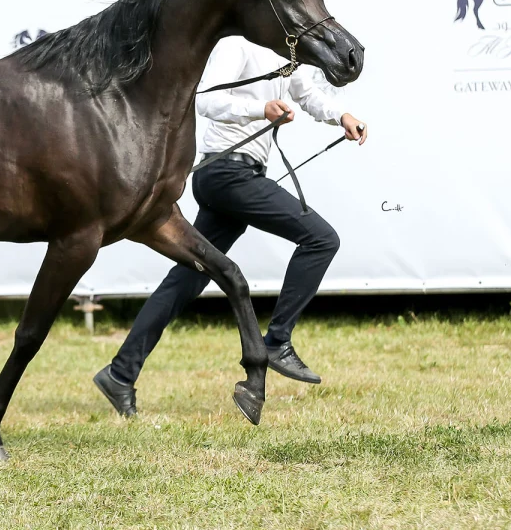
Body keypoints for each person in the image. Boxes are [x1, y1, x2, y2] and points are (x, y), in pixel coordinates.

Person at [93, 37, 367, 417]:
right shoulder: (237, 46)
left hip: (239, 175)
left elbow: (308, 93)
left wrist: (342, 117)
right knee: (321, 239)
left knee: (185, 281)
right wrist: (261, 109)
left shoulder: (285, 56)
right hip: (225, 173)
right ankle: (276, 342)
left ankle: (119, 374)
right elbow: (205, 100)